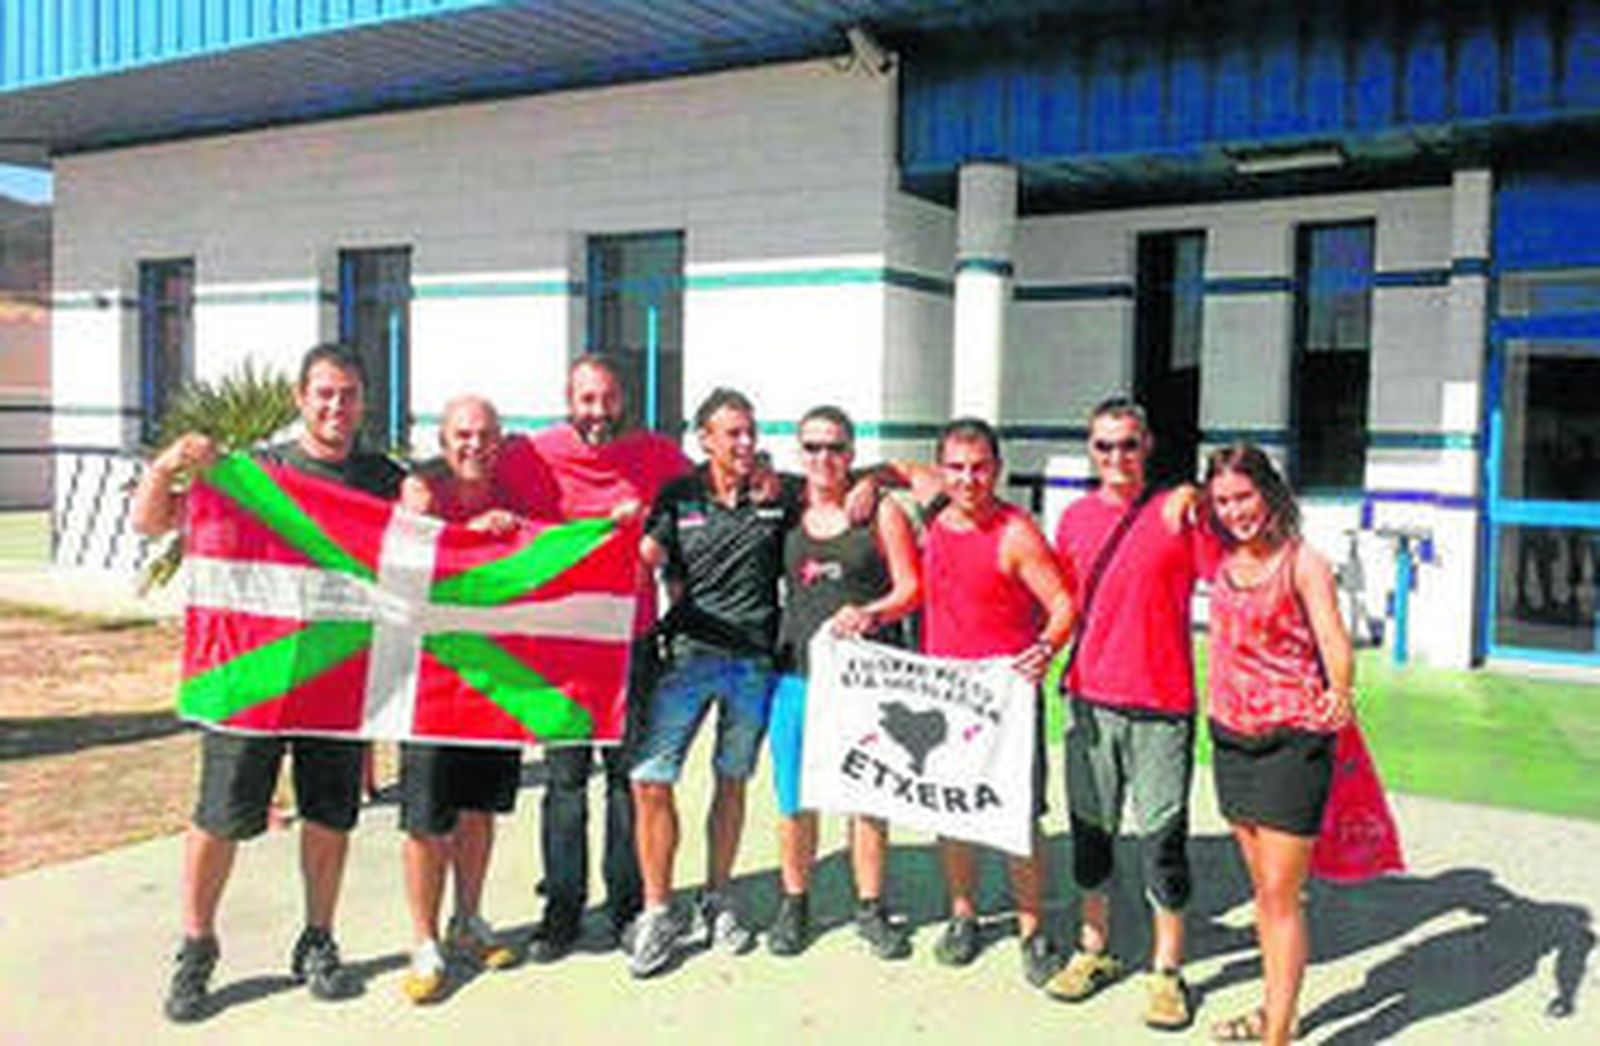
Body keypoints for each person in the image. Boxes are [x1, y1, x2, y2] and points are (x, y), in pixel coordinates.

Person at [134, 344, 405, 1023]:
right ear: (300, 397)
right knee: (219, 817)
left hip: (339, 684)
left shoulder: (383, 479)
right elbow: (151, 522)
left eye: (348, 394)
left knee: (328, 817)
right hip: (251, 680)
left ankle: (317, 940)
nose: (336, 406)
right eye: (324, 394)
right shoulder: (255, 473)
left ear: (364, 401)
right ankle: (196, 948)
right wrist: (169, 463)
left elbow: (442, 541)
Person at [494, 355, 691, 961]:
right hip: (560, 647)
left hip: (629, 645)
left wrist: (877, 477)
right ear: (567, 400)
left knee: (625, 780)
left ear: (623, 400)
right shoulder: (527, 454)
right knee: (564, 782)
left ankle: (627, 904)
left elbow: (718, 480)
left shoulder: (655, 457)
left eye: (607, 400)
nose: (597, 413)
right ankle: (561, 909)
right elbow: (460, 473)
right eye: (586, 400)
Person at [1047, 396, 1213, 1030]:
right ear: (1091, 451)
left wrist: (1195, 491)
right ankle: (1096, 950)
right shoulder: (1074, 520)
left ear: (1148, 448)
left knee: (1163, 842)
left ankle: (1167, 971)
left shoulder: (1179, 513)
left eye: (1128, 445)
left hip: (1162, 705)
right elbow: (1059, 605)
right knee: (1092, 834)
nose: (1116, 457)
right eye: (1104, 446)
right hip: (1089, 700)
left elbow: (1236, 564)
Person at [626, 387, 801, 978]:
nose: (747, 444)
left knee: (732, 783)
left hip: (753, 664)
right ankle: (657, 911)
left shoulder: (781, 494)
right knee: (651, 781)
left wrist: (870, 485)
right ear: (704, 439)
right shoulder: (678, 495)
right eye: (733, 434)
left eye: (752, 432)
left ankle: (717, 898)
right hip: (684, 661)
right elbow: (640, 554)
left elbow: (840, 490)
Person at [1202, 443, 1353, 1045]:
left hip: (1292, 743)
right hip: (1231, 741)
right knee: (1263, 894)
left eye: (1243, 495)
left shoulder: (1302, 562)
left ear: (1268, 492)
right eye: (1222, 500)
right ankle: (1275, 1012)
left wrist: (1340, 688)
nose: (1235, 510)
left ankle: (1278, 1036)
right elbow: (1176, 509)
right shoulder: (1216, 555)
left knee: (1280, 895)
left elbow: (1333, 639)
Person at [920, 417, 1075, 987]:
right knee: (952, 810)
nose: (969, 479)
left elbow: (1062, 604)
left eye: (980, 467)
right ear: (942, 472)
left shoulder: (1017, 533)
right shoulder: (934, 520)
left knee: (1018, 816)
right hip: (945, 697)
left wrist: (1044, 649)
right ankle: (964, 914)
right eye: (957, 468)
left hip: (1005, 701)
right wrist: (870, 477)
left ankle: (1033, 929)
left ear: (997, 470)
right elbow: (899, 474)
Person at [765, 405, 922, 960]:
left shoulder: (879, 513)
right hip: (796, 678)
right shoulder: (783, 508)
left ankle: (870, 908)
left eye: (834, 448)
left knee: (866, 798)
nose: (823, 458)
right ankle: (795, 903)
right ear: (798, 453)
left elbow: (911, 588)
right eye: (812, 447)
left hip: (863, 684)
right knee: (794, 799)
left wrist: (872, 613)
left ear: (851, 453)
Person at [395, 395, 523, 1003]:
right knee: (426, 819)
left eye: (486, 434)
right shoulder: (420, 492)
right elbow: (400, 564)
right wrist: (464, 535)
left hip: (495, 677)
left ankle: (467, 920)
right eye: (463, 435)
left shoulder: (517, 492)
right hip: (427, 680)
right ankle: (423, 941)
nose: (475, 444)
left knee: (479, 810)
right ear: (443, 442)